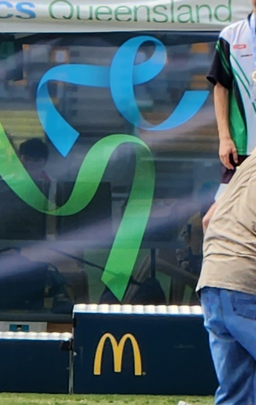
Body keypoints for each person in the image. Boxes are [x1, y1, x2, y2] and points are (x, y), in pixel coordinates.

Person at [197, 152, 256, 404]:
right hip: (245, 284)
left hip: (213, 282)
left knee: (236, 394)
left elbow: (208, 220)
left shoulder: (250, 162)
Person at [203, 13, 256, 225]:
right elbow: (221, 86)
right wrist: (225, 138)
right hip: (241, 149)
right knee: (211, 221)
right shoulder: (232, 35)